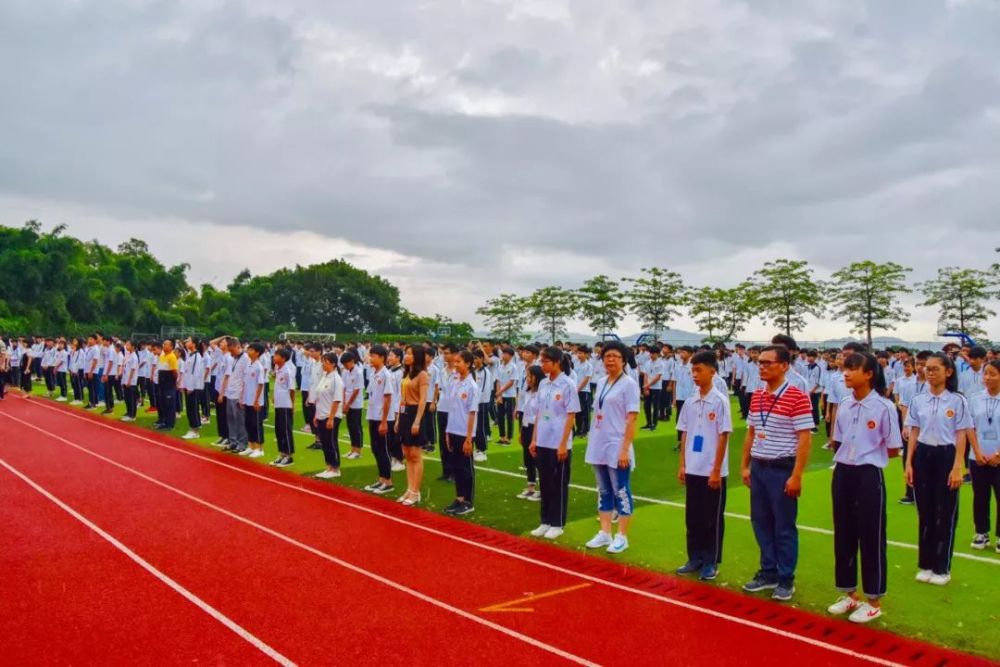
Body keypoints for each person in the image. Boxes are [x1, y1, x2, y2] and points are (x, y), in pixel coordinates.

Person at [827, 352, 901, 624]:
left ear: (869, 374)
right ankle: (849, 593)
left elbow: (893, 448)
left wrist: (867, 454)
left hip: (869, 474)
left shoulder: (884, 407)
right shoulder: (844, 404)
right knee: (843, 533)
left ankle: (873, 600)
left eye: (852, 369)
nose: (845, 373)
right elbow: (837, 440)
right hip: (843, 472)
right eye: (844, 369)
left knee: (871, 536)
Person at [740, 345, 814, 602]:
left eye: (768, 363)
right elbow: (750, 433)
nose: (762, 366)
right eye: (760, 362)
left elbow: (804, 439)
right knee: (760, 522)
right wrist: (745, 465)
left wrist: (796, 475)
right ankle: (767, 571)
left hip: (782, 468)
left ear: (784, 366)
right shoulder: (758, 395)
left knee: (783, 526)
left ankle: (785, 578)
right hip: (759, 467)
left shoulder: (797, 396)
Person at [904, 352, 972, 585]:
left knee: (945, 513)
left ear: (948, 372)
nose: (929, 372)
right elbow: (913, 431)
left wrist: (957, 466)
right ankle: (926, 564)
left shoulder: (957, 400)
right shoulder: (918, 400)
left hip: (946, 455)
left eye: (935, 369)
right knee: (925, 512)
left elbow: (961, 434)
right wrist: (909, 463)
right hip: (923, 454)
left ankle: (942, 568)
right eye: (926, 368)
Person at [675, 350, 733, 580]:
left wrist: (717, 470)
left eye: (699, 370)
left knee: (712, 518)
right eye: (693, 371)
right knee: (693, 516)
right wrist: (682, 464)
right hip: (693, 468)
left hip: (712, 470)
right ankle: (695, 557)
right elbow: (685, 434)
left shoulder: (720, 401)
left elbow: (723, 436)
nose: (695, 375)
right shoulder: (690, 401)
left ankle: (711, 561)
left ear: (712, 371)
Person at [584, 341, 640, 555]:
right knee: (604, 490)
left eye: (615, 356)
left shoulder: (629, 384)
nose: (610, 359)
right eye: (607, 356)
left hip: (617, 443)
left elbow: (632, 418)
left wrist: (625, 449)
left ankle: (622, 536)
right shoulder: (601, 382)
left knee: (621, 490)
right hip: (599, 442)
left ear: (624, 360)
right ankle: (604, 532)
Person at [528, 346, 580, 540]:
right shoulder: (543, 384)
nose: (542, 365)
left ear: (557, 362)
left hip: (559, 441)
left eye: (546, 361)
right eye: (541, 361)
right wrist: (534, 439)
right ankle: (545, 521)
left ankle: (557, 523)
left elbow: (571, 414)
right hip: (543, 439)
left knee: (558, 483)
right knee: (545, 482)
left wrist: (563, 443)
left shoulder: (568, 384)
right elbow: (539, 413)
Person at [966, 359, 1000, 552]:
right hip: (977, 457)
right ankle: (981, 532)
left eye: (992, 374)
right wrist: (977, 451)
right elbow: (969, 427)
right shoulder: (975, 398)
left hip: (999, 458)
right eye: (985, 374)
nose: (987, 378)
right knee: (980, 496)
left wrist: (998, 454)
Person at [443, 349, 479, 515]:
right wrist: (448, 431)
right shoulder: (456, 382)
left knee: (466, 468)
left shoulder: (472, 386)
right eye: (455, 361)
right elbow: (452, 408)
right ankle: (459, 498)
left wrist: (469, 438)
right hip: (453, 429)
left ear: (469, 364)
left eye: (459, 362)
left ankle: (468, 501)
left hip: (465, 432)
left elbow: (472, 413)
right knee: (457, 466)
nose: (455, 365)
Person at [396, 345, 430, 505]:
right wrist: (397, 419)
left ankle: (416, 491)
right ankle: (409, 489)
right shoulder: (406, 374)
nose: (406, 356)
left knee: (415, 454)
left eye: (410, 353)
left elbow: (423, 400)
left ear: (417, 357)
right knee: (407, 454)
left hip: (415, 413)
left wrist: (417, 421)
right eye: (406, 353)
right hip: (404, 413)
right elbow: (401, 398)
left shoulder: (422, 375)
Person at [364, 345, 396, 495]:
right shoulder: (373, 373)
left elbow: (388, 397)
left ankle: (388, 481)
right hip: (373, 415)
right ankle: (381, 478)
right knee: (375, 449)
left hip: (383, 417)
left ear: (382, 358)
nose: (371, 359)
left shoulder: (386, 375)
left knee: (383, 450)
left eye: (374, 356)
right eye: (370, 356)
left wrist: (384, 421)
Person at [313, 352, 345, 478]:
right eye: (322, 361)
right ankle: (329, 466)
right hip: (322, 414)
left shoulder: (336, 379)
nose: (323, 364)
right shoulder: (325, 376)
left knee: (331, 442)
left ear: (332, 364)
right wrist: (316, 415)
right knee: (325, 442)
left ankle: (335, 468)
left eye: (325, 362)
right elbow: (319, 397)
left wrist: (331, 418)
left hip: (331, 415)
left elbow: (336, 400)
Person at [271, 347, 297, 467]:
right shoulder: (278, 368)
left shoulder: (287, 371)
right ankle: (281, 453)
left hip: (286, 404)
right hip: (278, 403)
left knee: (286, 430)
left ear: (283, 358)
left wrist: (292, 405)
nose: (274, 357)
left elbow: (292, 389)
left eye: (276, 355)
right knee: (279, 429)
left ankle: (289, 456)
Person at [222, 338, 249, 454]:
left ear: (237, 346)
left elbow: (245, 379)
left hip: (238, 393)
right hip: (230, 392)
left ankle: (242, 443)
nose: (230, 352)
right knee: (231, 419)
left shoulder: (245, 359)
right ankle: (233, 441)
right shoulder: (233, 359)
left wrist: (242, 396)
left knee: (240, 420)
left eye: (231, 349)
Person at [240, 342, 266, 458]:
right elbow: (245, 383)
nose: (248, 351)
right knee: (248, 423)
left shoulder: (259, 367)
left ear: (257, 353)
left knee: (256, 424)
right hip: (247, 399)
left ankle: (259, 448)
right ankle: (251, 446)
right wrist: (242, 398)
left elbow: (260, 384)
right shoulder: (249, 364)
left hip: (255, 400)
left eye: (251, 350)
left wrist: (256, 400)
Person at [340, 350, 365, 459]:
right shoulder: (345, 372)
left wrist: (348, 404)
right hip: (347, 402)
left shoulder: (358, 372)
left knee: (356, 427)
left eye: (346, 364)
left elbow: (356, 391)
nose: (345, 366)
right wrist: (344, 402)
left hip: (356, 404)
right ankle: (352, 449)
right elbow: (344, 388)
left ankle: (358, 451)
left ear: (352, 361)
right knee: (350, 426)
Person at [181, 338, 205, 440]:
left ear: (194, 344)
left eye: (189, 341)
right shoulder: (190, 355)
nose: (187, 342)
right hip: (189, 386)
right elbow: (187, 372)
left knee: (193, 408)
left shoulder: (196, 356)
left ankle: (195, 431)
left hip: (194, 387)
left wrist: (190, 386)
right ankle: (192, 428)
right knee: (190, 409)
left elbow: (194, 373)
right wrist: (185, 385)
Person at [495, 346, 518, 444]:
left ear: (511, 356)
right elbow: (498, 381)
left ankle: (509, 437)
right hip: (501, 395)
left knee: (509, 416)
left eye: (505, 354)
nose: (503, 355)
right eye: (502, 353)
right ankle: (502, 436)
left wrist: (500, 391)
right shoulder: (500, 366)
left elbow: (511, 382)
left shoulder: (513, 367)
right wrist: (499, 395)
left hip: (510, 395)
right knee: (500, 416)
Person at [154, 340, 179, 430]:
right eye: (163, 344)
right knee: (163, 403)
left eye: (165, 344)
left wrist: (172, 382)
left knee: (169, 405)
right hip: (162, 384)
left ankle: (170, 424)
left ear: (171, 346)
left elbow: (174, 372)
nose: (163, 345)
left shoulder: (172, 357)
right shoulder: (162, 356)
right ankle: (164, 422)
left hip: (169, 384)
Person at [121, 341, 140, 422]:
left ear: (133, 347)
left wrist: (129, 380)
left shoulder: (134, 357)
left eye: (128, 345)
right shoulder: (129, 355)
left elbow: (132, 369)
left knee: (132, 398)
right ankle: (129, 413)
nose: (126, 346)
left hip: (131, 381)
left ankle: (132, 415)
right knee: (127, 398)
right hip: (126, 379)